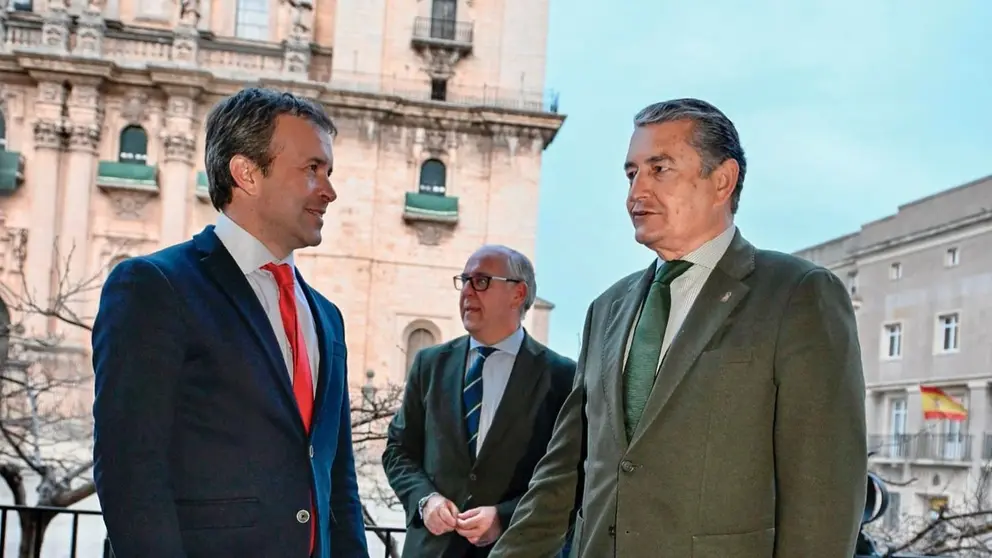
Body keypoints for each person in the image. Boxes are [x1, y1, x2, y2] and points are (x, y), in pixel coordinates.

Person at [488, 98, 868, 558]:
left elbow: (824, 494)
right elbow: (564, 470)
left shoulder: (798, 295)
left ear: (721, 181)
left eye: (659, 169)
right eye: (632, 174)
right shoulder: (606, 309)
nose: (636, 194)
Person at [91, 87, 369, 558]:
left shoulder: (327, 317)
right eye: (311, 169)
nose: (329, 190)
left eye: (329, 172)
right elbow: (130, 472)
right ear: (246, 173)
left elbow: (337, 481)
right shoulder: (154, 287)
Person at [381, 245, 579, 558]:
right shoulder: (429, 364)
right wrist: (425, 500)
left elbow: (571, 478)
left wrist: (504, 518)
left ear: (518, 293)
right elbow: (398, 451)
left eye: (482, 281)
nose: (467, 292)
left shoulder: (562, 376)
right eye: (465, 280)